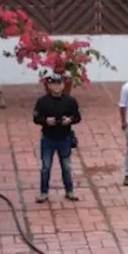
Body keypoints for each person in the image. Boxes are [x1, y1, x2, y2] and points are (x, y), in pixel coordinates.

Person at [33, 73, 82, 202]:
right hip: (48, 138)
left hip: (64, 138)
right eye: (53, 84)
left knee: (66, 167)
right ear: (48, 86)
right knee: (46, 167)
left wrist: (70, 120)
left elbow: (78, 117)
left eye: (59, 84)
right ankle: (44, 193)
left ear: (63, 85)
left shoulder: (70, 101)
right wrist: (45, 121)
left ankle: (69, 191)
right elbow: (36, 118)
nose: (56, 86)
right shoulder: (42, 102)